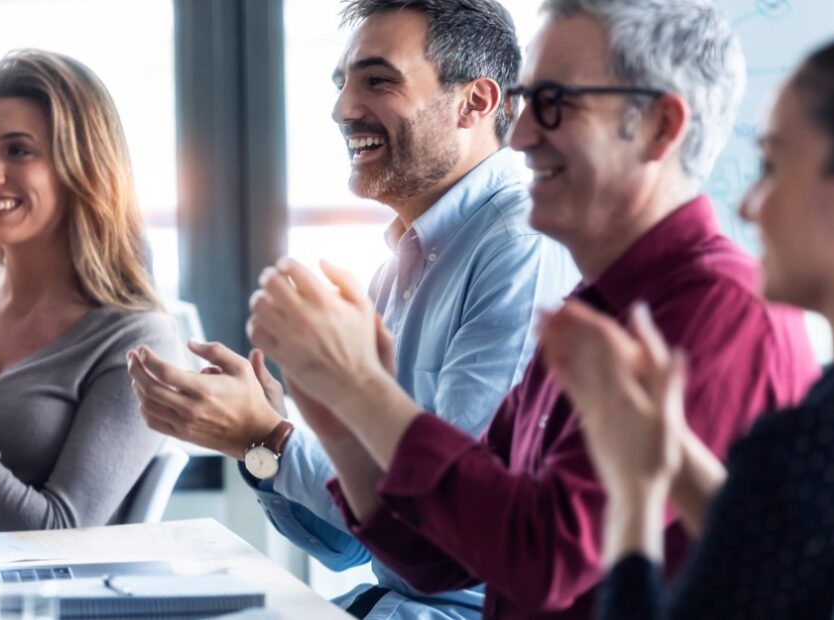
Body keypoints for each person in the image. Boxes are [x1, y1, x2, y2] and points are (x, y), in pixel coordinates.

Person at [244, 0, 819, 618]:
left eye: (553, 105)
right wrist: (333, 419)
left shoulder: (716, 312)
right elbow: (443, 551)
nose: (517, 136)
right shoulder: (591, 309)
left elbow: (544, 560)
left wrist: (359, 390)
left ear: (658, 127)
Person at [127, 0, 577, 617]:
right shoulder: (400, 268)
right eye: (342, 83)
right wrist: (260, 437)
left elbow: (455, 534)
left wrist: (270, 437)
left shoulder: (519, 252)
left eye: (378, 79)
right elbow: (346, 546)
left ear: (476, 102)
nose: (342, 108)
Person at [541, 39, 834, 620]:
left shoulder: (804, 441)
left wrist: (634, 489)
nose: (749, 207)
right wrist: (663, 443)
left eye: (772, 166)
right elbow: (778, 549)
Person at [0, 49, 178, 534]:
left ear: (83, 169)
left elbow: (59, 532)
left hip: (29, 606)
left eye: (17, 150)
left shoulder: (136, 341)